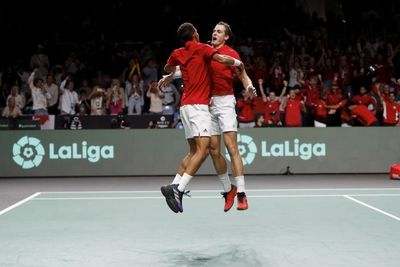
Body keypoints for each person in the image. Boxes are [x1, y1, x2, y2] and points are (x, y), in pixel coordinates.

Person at [158, 22, 245, 213]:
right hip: (199, 107)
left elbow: (168, 67)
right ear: (196, 35)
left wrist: (170, 75)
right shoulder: (204, 49)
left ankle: (173, 184)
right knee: (204, 150)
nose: (212, 33)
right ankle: (178, 190)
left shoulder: (179, 52)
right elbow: (222, 59)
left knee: (193, 151)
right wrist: (239, 63)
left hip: (184, 108)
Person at [207, 21, 256, 211]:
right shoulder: (205, 51)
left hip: (226, 102)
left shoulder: (231, 54)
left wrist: (249, 86)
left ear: (226, 37)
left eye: (219, 31)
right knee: (213, 150)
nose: (215, 33)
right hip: (208, 104)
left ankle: (242, 194)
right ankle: (228, 189)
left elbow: (243, 74)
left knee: (231, 146)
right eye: (213, 30)